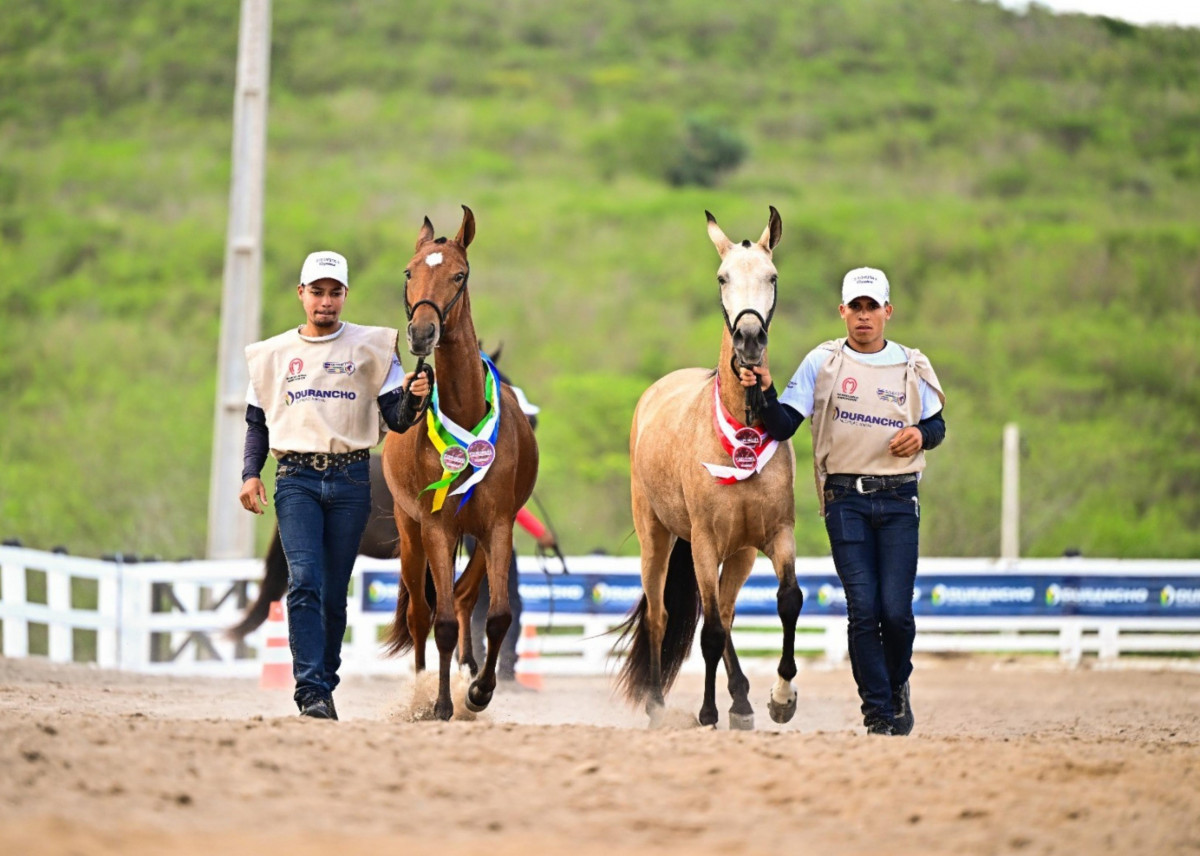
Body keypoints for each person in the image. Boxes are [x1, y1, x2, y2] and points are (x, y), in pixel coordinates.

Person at [739, 267, 945, 736]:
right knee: (863, 609)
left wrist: (919, 435)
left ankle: (896, 688)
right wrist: (764, 391)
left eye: (873, 307)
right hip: (844, 500)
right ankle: (876, 711)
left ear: (888, 312)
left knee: (896, 611)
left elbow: (937, 426)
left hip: (898, 499)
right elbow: (782, 425)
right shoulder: (822, 362)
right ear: (843, 312)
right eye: (856, 307)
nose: (864, 316)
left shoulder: (911, 364)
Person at [239, 250, 430, 720]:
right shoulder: (272, 355)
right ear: (301, 294)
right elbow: (257, 423)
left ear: (345, 296)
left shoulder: (372, 349)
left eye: (335, 293)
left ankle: (325, 678)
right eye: (317, 292)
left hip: (349, 479)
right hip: (295, 479)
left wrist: (414, 400)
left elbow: (396, 421)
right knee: (303, 581)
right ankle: (311, 692)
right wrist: (249, 474)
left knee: (332, 589)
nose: (326, 301)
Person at [467, 363, 558, 683]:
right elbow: (508, 509)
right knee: (506, 600)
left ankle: (478, 664)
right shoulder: (498, 452)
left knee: (477, 599)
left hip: (472, 537)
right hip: (491, 540)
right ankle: (502, 669)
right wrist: (542, 533)